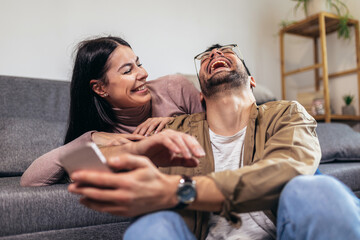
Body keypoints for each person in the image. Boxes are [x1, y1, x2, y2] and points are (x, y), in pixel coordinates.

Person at [68, 43, 360, 240]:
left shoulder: (285, 112)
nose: (216, 54)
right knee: (150, 226)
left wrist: (180, 190)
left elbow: (291, 167)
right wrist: (137, 147)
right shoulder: (174, 129)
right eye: (206, 57)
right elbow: (82, 167)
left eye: (226, 52)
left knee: (317, 190)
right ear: (199, 95)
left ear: (252, 81)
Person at [20, 36, 204, 187]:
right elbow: (30, 181)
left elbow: (221, 130)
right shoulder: (108, 141)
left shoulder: (175, 88)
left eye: (139, 64)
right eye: (127, 71)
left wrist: (178, 123)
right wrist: (90, 138)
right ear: (100, 88)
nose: (143, 73)